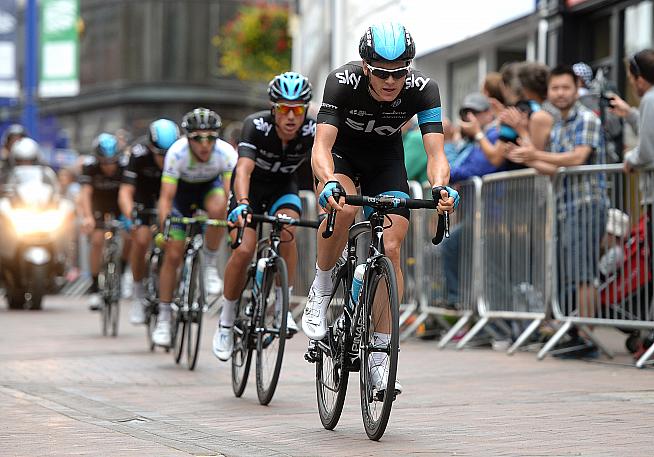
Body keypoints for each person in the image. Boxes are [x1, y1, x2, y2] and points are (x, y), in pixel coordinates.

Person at [302, 22, 457, 396]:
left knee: (390, 247)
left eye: (400, 72)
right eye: (383, 74)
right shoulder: (342, 81)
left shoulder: (424, 89)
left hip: (386, 161)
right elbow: (321, 147)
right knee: (343, 209)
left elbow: (436, 152)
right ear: (365, 66)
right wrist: (329, 181)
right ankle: (321, 289)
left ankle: (380, 361)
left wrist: (439, 187)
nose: (392, 82)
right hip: (342, 158)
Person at [212, 72, 315, 361]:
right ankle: (226, 321)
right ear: (273, 109)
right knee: (244, 249)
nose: (291, 116)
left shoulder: (312, 130)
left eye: (298, 109)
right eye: (284, 109)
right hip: (251, 192)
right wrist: (242, 203)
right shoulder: (255, 126)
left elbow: (321, 169)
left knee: (288, 232)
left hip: (284, 188)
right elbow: (242, 169)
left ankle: (282, 307)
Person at [509, 65, 606, 356]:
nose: (560, 93)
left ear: (577, 88)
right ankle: (573, 332)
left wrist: (533, 154)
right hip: (565, 206)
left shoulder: (587, 118)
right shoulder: (558, 123)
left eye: (566, 87)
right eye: (555, 88)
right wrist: (523, 156)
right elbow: (553, 169)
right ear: (548, 92)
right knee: (568, 271)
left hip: (587, 202)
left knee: (584, 272)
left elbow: (577, 159)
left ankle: (587, 337)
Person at [152, 108, 237, 348]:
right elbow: (166, 198)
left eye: (210, 137)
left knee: (220, 207)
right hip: (181, 196)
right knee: (174, 255)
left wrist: (233, 227)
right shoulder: (176, 153)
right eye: (198, 138)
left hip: (209, 191)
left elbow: (232, 195)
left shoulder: (225, 153)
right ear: (187, 138)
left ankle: (209, 263)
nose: (204, 144)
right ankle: (164, 317)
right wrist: (164, 230)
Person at [118, 119, 180, 325]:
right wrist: (132, 216)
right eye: (160, 154)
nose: (164, 160)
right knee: (141, 239)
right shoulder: (138, 155)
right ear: (151, 148)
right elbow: (125, 192)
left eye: (168, 154)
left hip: (170, 195)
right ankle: (137, 292)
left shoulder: (181, 153)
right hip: (144, 196)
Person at [79, 133, 127, 311]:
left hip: (119, 205)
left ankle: (122, 273)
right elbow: (85, 194)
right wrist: (87, 217)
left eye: (112, 161)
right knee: (98, 240)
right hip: (98, 206)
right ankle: (94, 287)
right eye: (104, 162)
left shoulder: (124, 166)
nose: (109, 166)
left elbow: (129, 192)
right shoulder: (90, 166)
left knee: (130, 236)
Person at [609, 49, 654, 239]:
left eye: (630, 79)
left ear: (640, 79)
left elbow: (647, 152)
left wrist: (629, 158)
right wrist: (630, 113)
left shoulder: (650, 98)